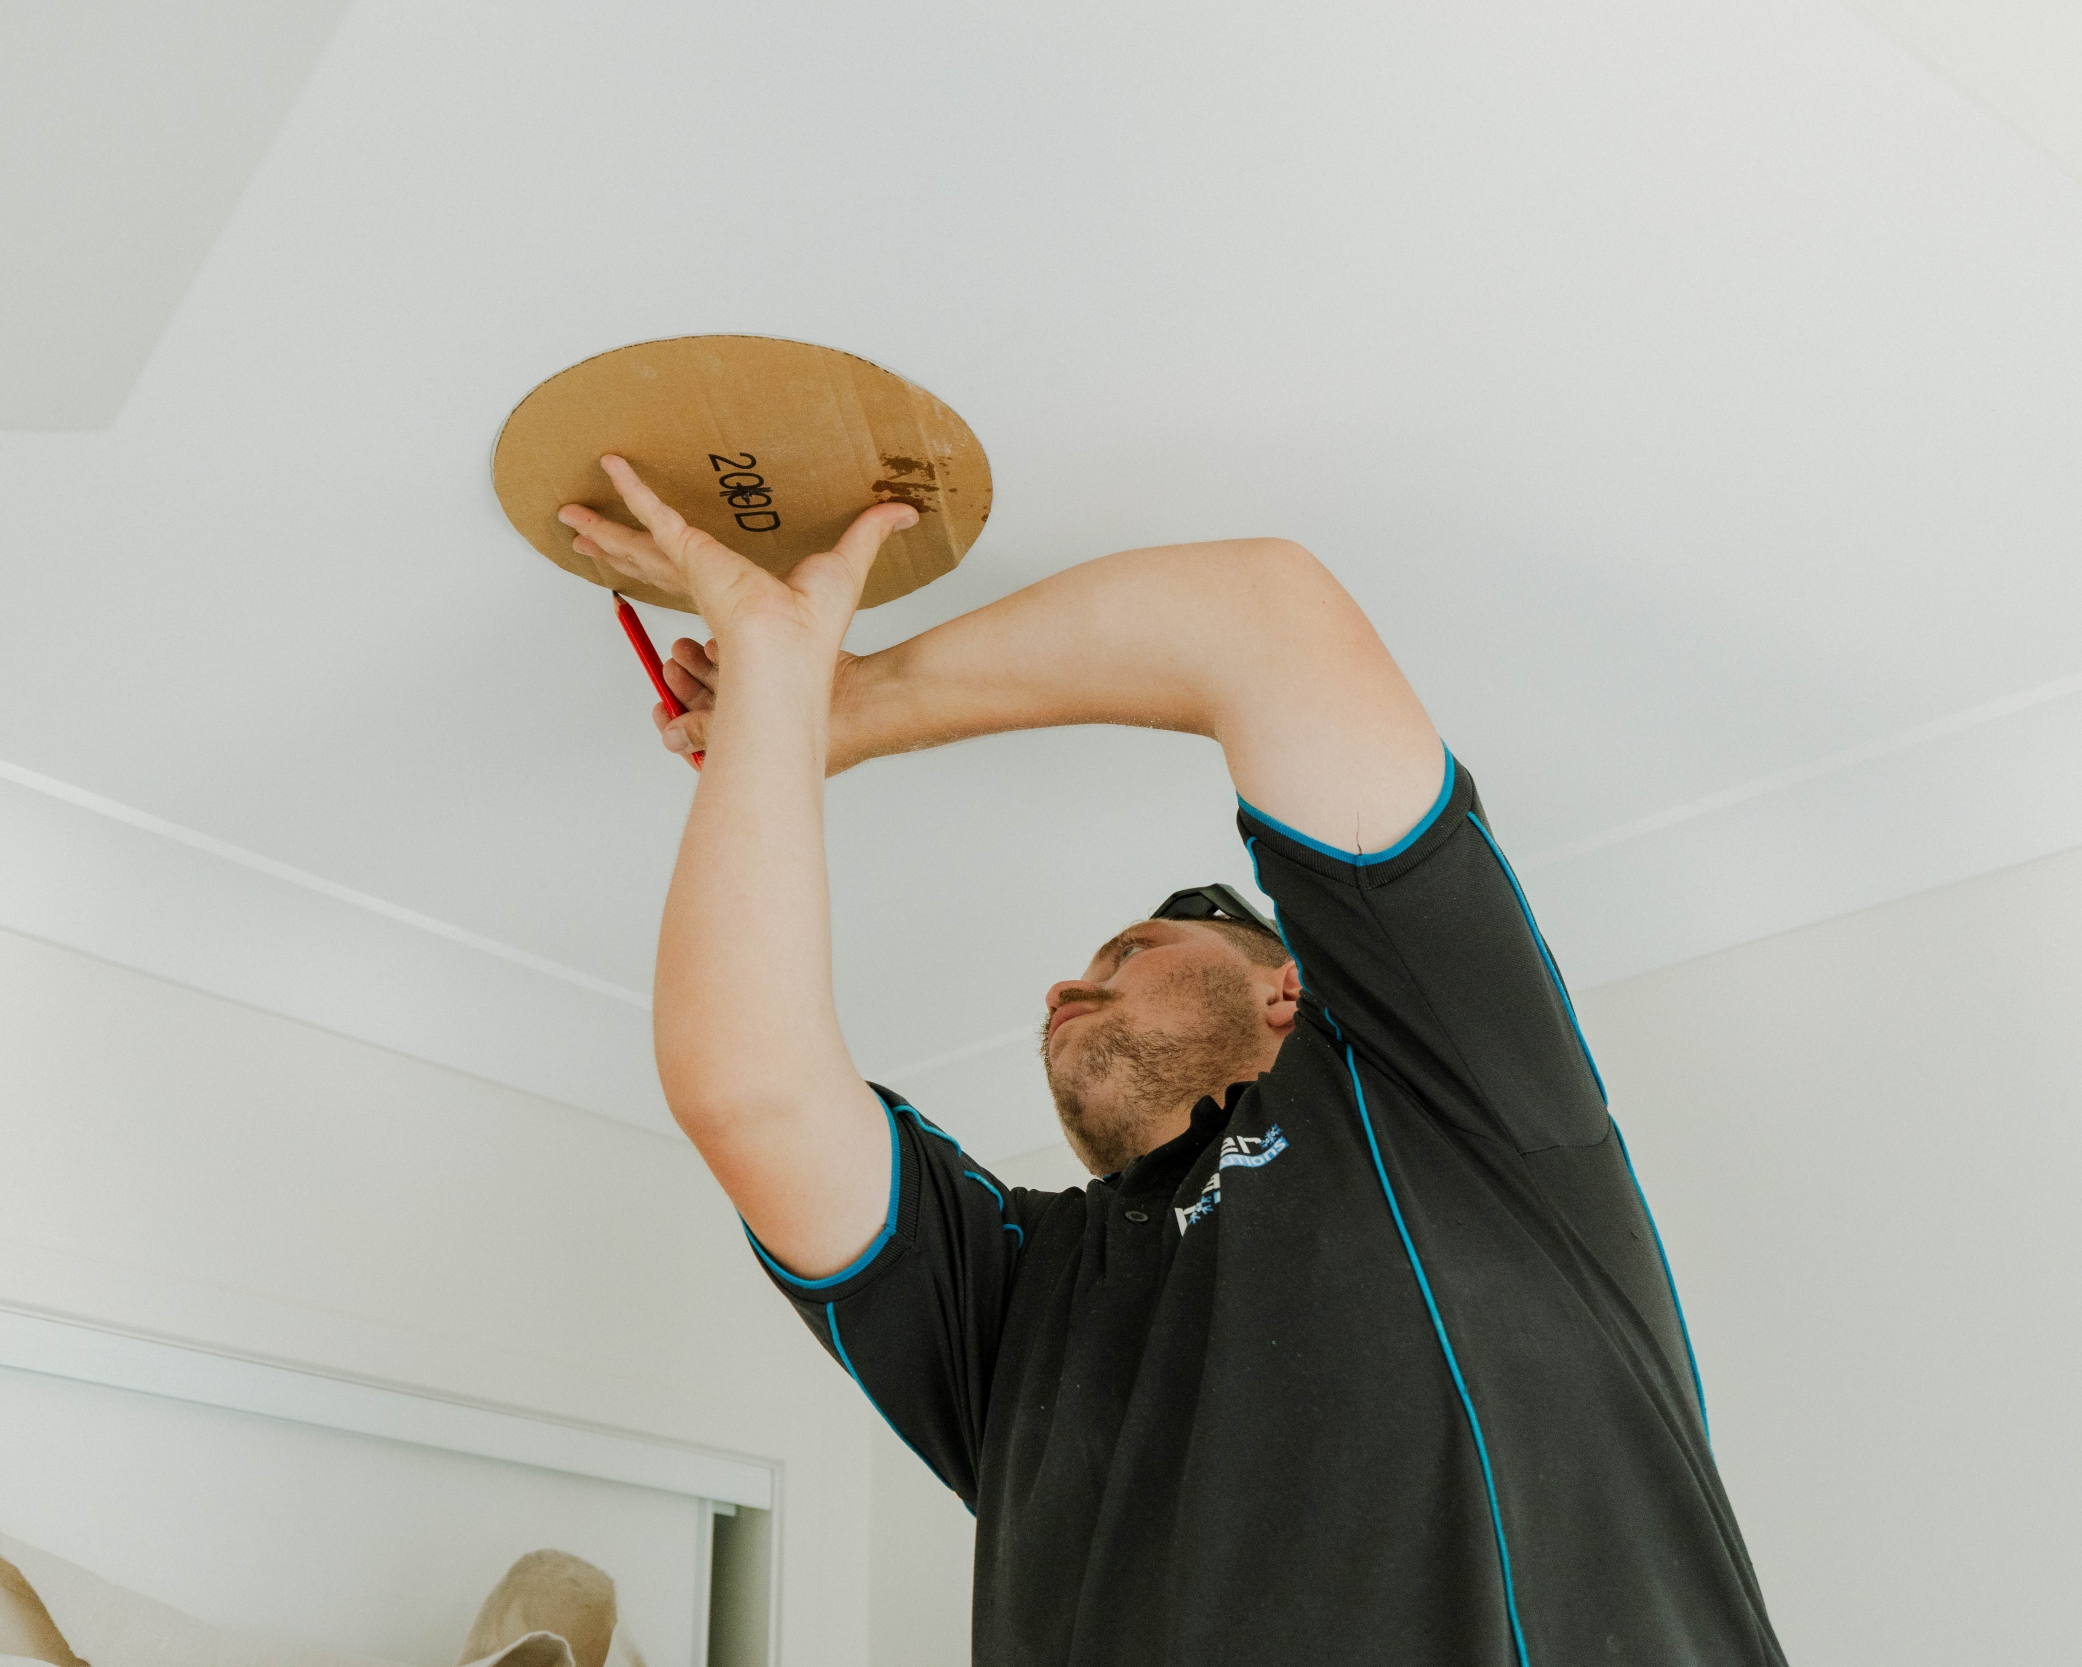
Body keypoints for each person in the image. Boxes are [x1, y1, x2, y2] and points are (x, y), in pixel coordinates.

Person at [557, 456, 1787, 1666]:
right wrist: (768, 675)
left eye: (1130, 946)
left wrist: (847, 700)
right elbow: (749, 1089)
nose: (1061, 985)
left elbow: (1263, 619)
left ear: (1287, 986)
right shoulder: (1020, 1296)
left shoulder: (1440, 1093)